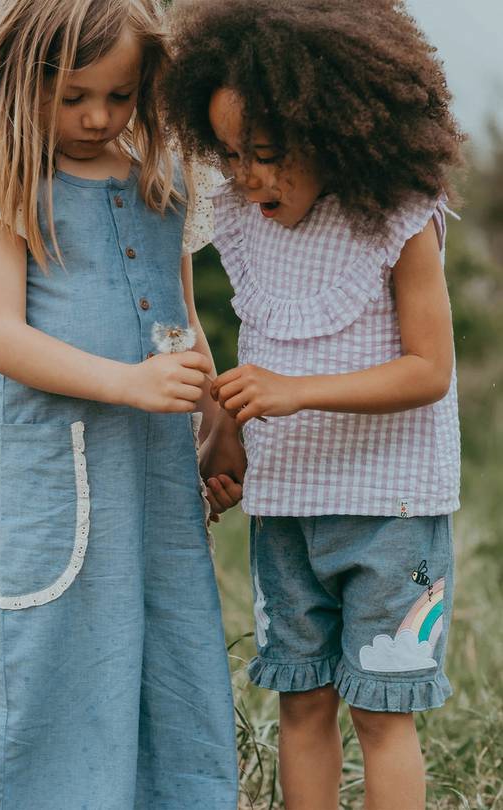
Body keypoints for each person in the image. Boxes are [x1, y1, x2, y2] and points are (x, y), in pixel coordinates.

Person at [0, 1, 239, 807]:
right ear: (25, 82)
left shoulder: (165, 176)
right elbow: (2, 338)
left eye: (121, 97)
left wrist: (218, 421)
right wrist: (128, 383)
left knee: (174, 666)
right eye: (74, 97)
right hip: (62, 485)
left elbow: (182, 323)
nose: (99, 117)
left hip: (158, 486)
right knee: (57, 669)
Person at [162, 1, 464, 808]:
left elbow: (428, 370)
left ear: (336, 129)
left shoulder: (400, 221)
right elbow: (259, 348)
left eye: (267, 152)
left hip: (389, 512)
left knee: (380, 710)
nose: (250, 175)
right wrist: (224, 431)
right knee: (301, 702)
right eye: (230, 155)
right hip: (288, 509)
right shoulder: (246, 222)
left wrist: (297, 394)